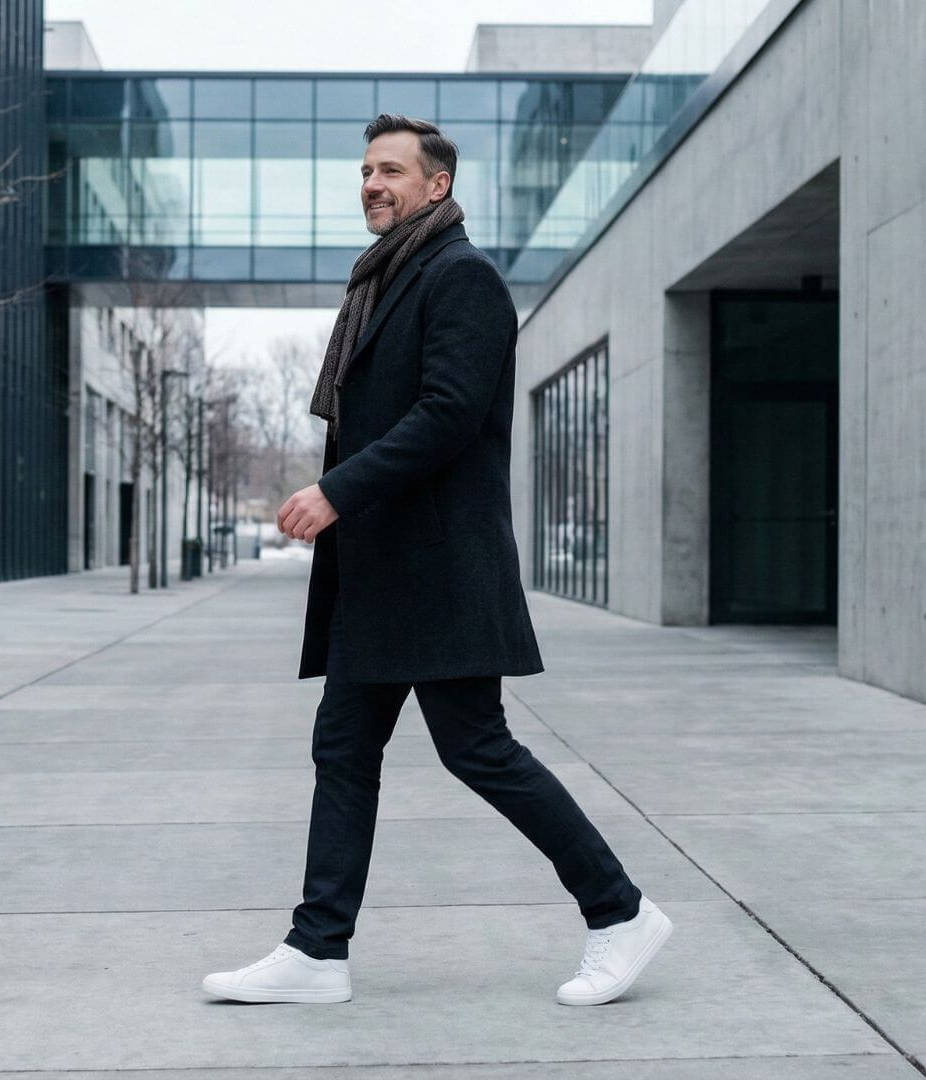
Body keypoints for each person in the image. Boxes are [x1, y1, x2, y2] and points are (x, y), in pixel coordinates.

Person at [200, 115, 671, 1007]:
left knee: (478, 749)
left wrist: (338, 490)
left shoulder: (461, 279)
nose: (373, 184)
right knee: (343, 746)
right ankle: (317, 951)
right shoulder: (388, 280)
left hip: (437, 569)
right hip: (383, 571)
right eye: (367, 171)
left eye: (391, 171)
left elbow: (447, 415)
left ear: (437, 186)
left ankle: (621, 914)